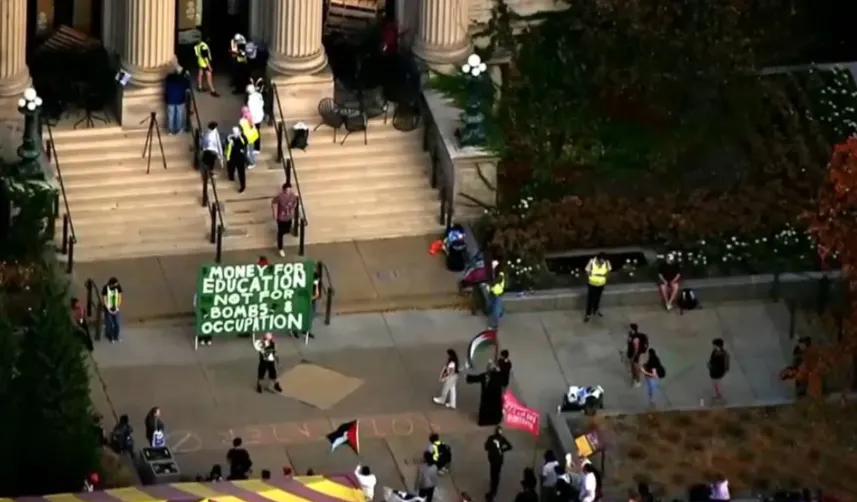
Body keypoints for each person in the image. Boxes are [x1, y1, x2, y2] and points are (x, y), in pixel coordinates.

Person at [466, 361, 505, 426]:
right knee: (495, 408)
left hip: (486, 397)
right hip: (495, 398)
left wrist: (466, 376)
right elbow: (504, 382)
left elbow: (475, 378)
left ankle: (484, 421)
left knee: (486, 408)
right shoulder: (499, 376)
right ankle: (495, 420)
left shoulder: (485, 375)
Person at [484, 426, 513, 502]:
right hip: (499, 459)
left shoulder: (490, 438)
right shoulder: (502, 438)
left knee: (493, 473)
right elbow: (510, 446)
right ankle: (495, 484)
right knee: (497, 472)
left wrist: (492, 448)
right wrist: (502, 450)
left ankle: (493, 488)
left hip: (492, 459)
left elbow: (486, 447)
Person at [272, 183, 298, 257]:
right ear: (284, 190)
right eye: (287, 190)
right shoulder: (280, 197)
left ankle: (286, 231)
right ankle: (280, 248)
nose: (289, 191)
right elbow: (273, 202)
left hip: (289, 216)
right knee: (280, 232)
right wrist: (274, 213)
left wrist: (293, 207)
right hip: (281, 217)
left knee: (287, 229)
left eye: (290, 189)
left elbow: (295, 203)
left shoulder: (293, 196)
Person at [584, 253, 611, 322]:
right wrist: (590, 277)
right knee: (590, 299)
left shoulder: (607, 262)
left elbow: (608, 270)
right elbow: (587, 270)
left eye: (603, 261)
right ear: (598, 259)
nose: (602, 262)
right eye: (601, 261)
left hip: (601, 284)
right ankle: (588, 314)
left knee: (598, 298)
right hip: (592, 284)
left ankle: (596, 310)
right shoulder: (592, 262)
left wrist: (605, 277)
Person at [165, 67, 189, 134]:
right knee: (179, 115)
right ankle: (179, 129)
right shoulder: (184, 80)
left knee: (171, 115)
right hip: (180, 99)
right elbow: (187, 87)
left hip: (170, 99)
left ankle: (170, 130)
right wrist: (187, 76)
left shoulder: (169, 79)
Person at [225, 126, 248, 192]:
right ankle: (231, 177)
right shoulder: (231, 137)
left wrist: (240, 136)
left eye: (236, 132)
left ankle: (242, 186)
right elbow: (227, 143)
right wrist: (228, 140)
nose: (234, 133)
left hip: (240, 158)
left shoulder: (242, 138)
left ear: (239, 132)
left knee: (241, 173)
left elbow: (245, 143)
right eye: (233, 132)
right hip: (231, 157)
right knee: (230, 167)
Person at [102, 277, 123, 342]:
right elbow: (104, 299)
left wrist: (117, 307)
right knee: (109, 323)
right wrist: (108, 308)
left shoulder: (118, 286)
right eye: (115, 285)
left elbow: (119, 297)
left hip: (115, 307)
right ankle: (110, 336)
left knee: (117, 323)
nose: (116, 286)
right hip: (108, 308)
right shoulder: (105, 288)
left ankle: (116, 336)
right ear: (111, 284)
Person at [247, 84, 265, 152]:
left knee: (254, 132)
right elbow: (262, 103)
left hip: (254, 118)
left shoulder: (250, 99)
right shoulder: (259, 95)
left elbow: (251, 110)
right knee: (257, 131)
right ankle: (256, 147)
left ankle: (256, 148)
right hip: (259, 116)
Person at [488, 260, 505, 330]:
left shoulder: (500, 274)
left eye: (494, 265)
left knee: (495, 310)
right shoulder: (493, 272)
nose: (493, 266)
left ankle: (494, 325)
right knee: (491, 306)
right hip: (492, 292)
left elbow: (495, 282)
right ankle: (501, 311)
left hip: (498, 293)